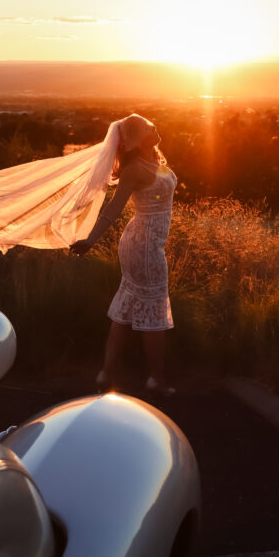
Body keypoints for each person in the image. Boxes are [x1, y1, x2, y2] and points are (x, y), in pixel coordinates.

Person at [70, 114, 177, 396]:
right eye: (146, 128)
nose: (154, 128)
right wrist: (90, 240)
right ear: (133, 139)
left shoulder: (153, 161)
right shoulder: (134, 170)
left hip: (145, 242)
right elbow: (113, 209)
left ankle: (106, 374)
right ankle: (156, 380)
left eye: (152, 124)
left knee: (127, 306)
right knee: (154, 311)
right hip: (143, 246)